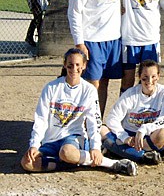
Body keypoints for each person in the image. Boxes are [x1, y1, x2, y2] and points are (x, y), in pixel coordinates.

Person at [20, 48, 138, 176]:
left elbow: (94, 122)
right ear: (65, 65)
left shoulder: (89, 90)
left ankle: (112, 163)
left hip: (73, 138)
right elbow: (41, 119)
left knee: (66, 152)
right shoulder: (51, 88)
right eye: (70, 65)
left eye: (78, 65)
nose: (74, 69)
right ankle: (71, 163)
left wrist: (95, 148)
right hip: (51, 140)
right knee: (27, 163)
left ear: (84, 66)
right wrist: (34, 145)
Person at [68, 0, 124, 116]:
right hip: (92, 39)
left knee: (105, 83)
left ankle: (96, 124)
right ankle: (85, 125)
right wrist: (79, 42)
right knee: (92, 84)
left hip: (113, 38)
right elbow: (74, 10)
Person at [101, 60, 164, 164]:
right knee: (101, 129)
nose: (149, 81)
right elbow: (112, 118)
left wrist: (143, 130)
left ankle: (119, 150)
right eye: (145, 77)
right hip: (129, 135)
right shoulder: (130, 94)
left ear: (158, 76)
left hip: (148, 137)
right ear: (139, 76)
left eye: (153, 77)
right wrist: (124, 137)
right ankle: (143, 156)